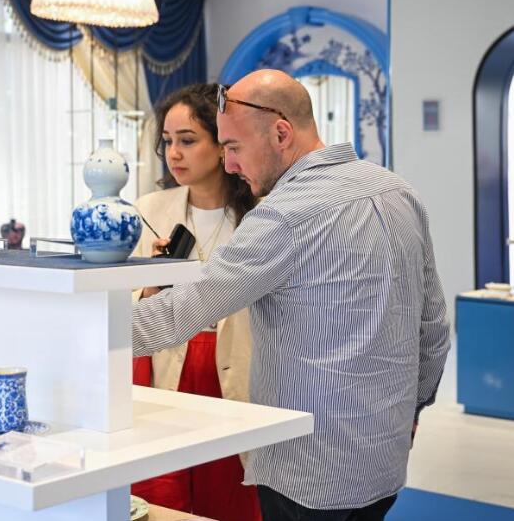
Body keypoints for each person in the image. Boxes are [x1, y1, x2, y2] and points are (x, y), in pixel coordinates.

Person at [132, 69, 451, 521]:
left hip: (307, 469)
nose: (230, 165)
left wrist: (79, 336)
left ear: (281, 133)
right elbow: (434, 329)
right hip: (385, 458)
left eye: (234, 147)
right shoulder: (399, 192)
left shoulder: (285, 215)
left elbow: (185, 309)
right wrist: (412, 411)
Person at [131, 83, 260, 521]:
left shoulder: (262, 214)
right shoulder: (149, 208)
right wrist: (150, 284)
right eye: (167, 141)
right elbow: (126, 300)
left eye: (187, 140)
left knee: (228, 488)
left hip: (235, 362)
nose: (174, 153)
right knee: (162, 491)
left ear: (223, 145)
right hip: (166, 359)